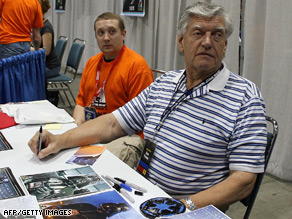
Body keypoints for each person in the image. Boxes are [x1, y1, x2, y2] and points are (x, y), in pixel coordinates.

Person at [28, 2, 267, 212]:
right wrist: (60, 139)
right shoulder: (166, 83)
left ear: (225, 45)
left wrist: (184, 205)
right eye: (198, 33)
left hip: (187, 207)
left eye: (217, 35)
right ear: (181, 42)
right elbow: (112, 123)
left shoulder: (245, 97)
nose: (207, 41)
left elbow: (244, 180)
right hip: (143, 191)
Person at [72, 12, 153, 127]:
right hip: (91, 130)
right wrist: (77, 128)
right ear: (95, 36)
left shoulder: (137, 67)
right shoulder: (91, 62)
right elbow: (80, 104)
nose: (106, 38)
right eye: (101, 33)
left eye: (112, 31)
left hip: (121, 133)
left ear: (123, 34)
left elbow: (138, 117)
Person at [37, 0, 61, 79]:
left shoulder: (46, 27)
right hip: (45, 64)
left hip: (51, 67)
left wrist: (28, 49)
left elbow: (46, 51)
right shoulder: (39, 24)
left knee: (28, 75)